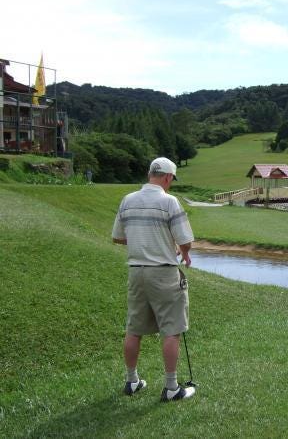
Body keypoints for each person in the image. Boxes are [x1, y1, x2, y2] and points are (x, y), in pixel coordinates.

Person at [112, 157, 196, 402]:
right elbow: (185, 241)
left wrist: (143, 239)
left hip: (136, 272)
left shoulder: (128, 200)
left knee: (134, 328)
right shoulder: (169, 201)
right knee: (171, 329)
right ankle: (171, 388)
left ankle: (132, 381)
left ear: (151, 173)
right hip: (163, 272)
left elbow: (118, 237)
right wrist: (185, 253)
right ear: (168, 177)